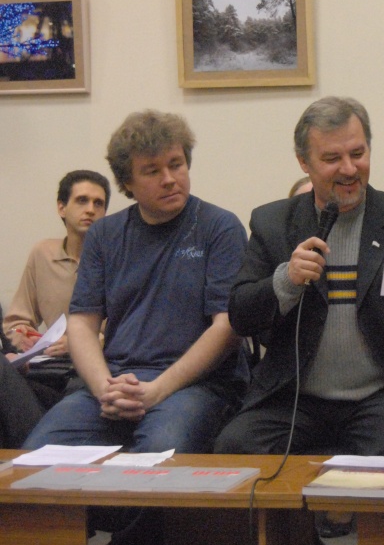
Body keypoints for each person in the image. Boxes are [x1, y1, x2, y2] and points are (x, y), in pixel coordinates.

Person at [215, 95, 384, 458]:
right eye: (332, 158)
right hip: (294, 397)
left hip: (383, 397)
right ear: (304, 162)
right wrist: (286, 280)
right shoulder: (272, 223)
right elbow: (241, 315)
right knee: (234, 447)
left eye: (358, 153)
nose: (349, 169)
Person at [24, 110, 250, 451]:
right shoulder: (104, 234)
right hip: (115, 380)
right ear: (127, 183)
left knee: (161, 451)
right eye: (152, 171)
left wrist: (156, 390)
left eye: (176, 164)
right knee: (36, 455)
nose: (169, 179)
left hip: (197, 385)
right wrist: (104, 389)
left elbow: (227, 326)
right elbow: (82, 324)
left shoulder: (219, 227)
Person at [0, 169, 111, 447]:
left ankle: (33, 451)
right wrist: (23, 336)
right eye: (82, 200)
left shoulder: (118, 259)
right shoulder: (43, 254)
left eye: (98, 203)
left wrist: (87, 342)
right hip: (50, 367)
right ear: (61, 208)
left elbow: (131, 331)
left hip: (96, 370)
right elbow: (16, 322)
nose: (90, 209)